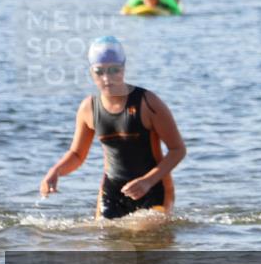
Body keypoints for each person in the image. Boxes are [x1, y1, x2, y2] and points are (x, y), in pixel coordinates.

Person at [39, 37, 186, 220]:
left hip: (154, 188)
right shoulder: (88, 108)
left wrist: (148, 181)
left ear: (123, 69)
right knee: (103, 240)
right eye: (99, 72)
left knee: (146, 235)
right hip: (112, 191)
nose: (107, 78)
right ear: (91, 73)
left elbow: (177, 150)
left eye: (114, 70)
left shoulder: (148, 103)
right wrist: (55, 172)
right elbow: (77, 154)